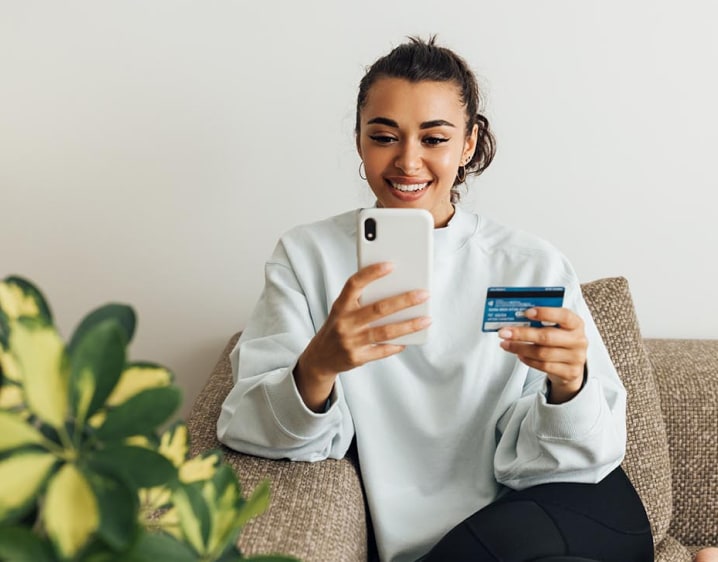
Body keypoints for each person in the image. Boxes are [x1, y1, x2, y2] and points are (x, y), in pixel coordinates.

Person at [218, 36, 656, 561]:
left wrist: (569, 386)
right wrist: (318, 365)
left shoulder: (528, 262)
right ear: (359, 141)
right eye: (384, 136)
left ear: (467, 144)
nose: (408, 161)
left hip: (566, 509)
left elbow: (578, 460)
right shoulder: (309, 256)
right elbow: (249, 427)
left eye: (434, 138)